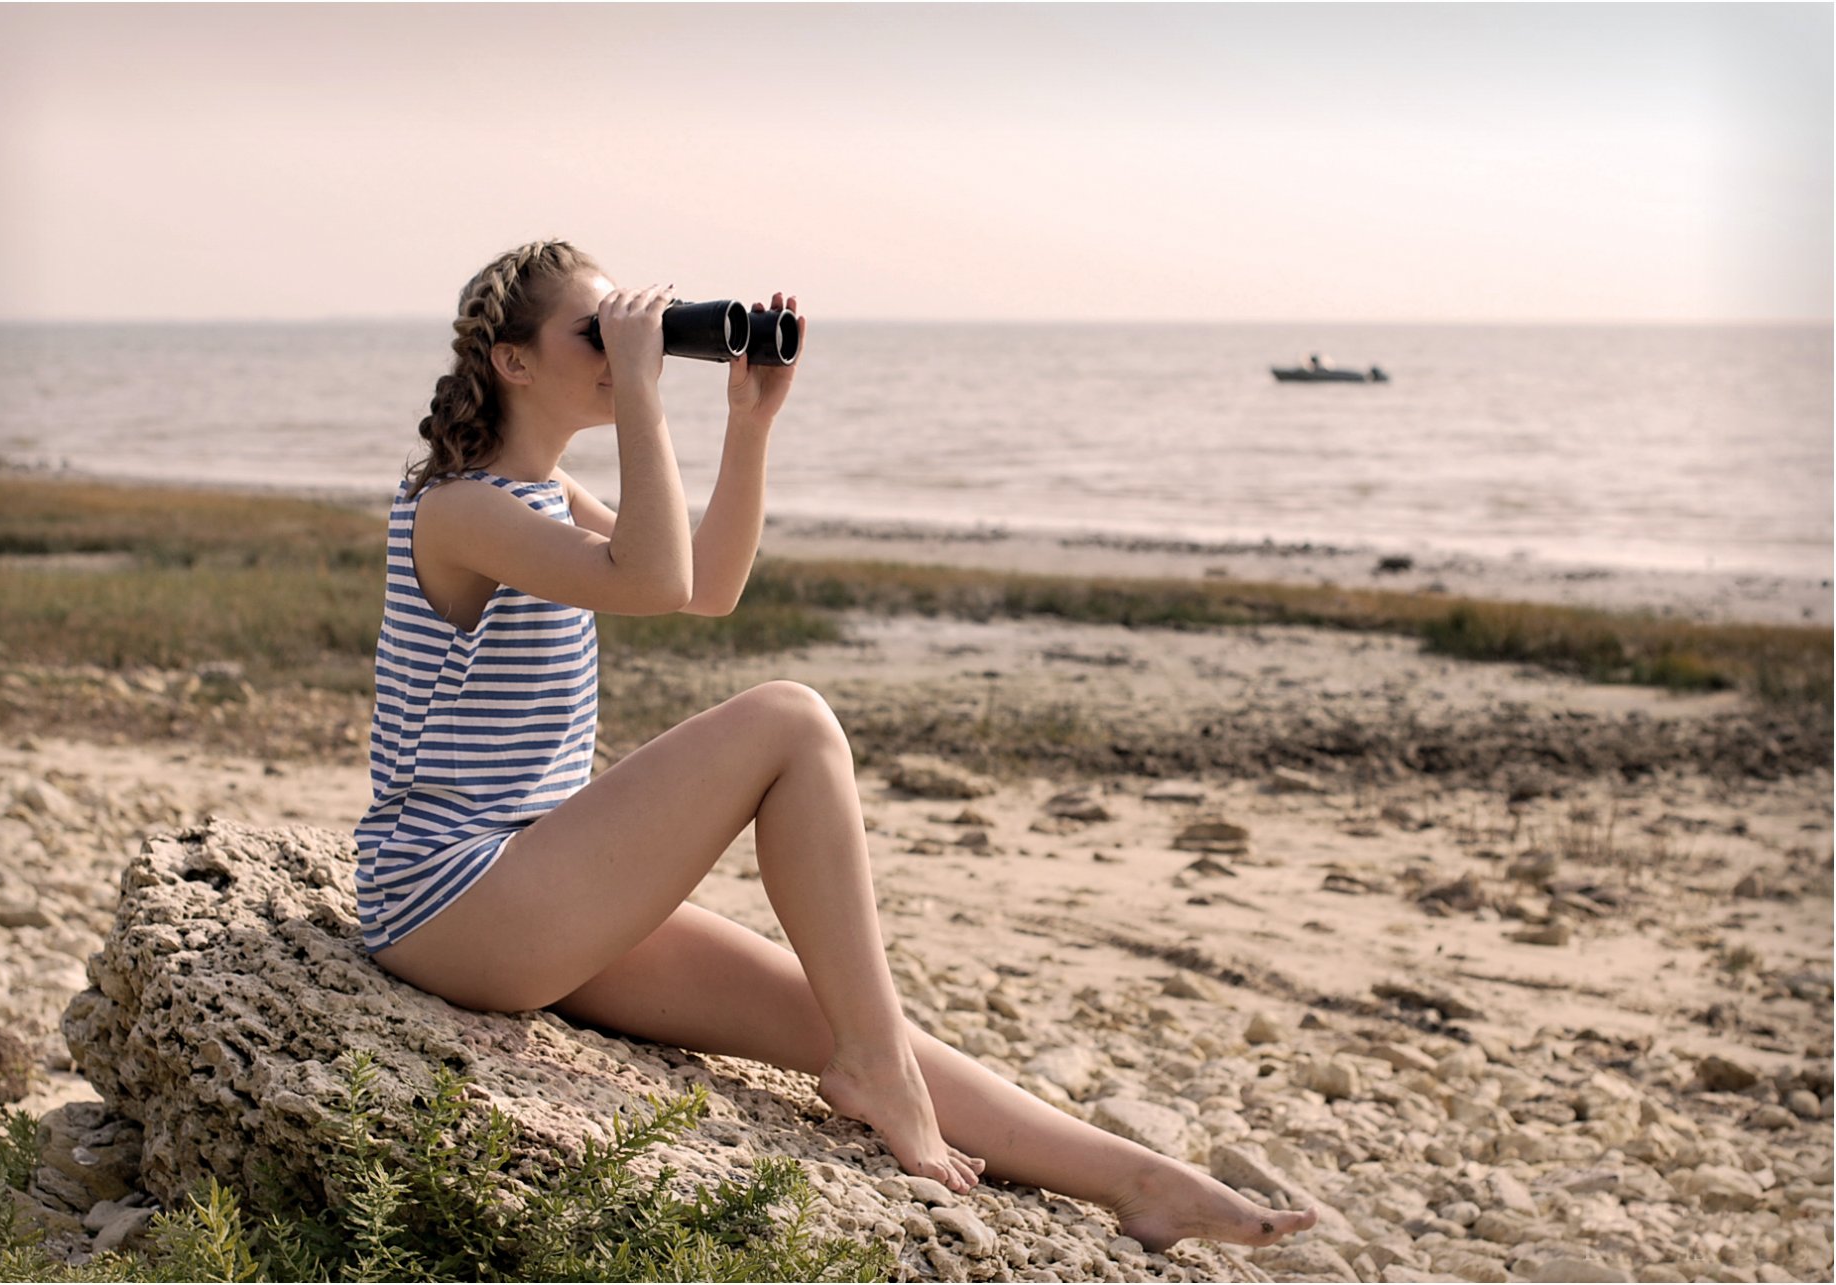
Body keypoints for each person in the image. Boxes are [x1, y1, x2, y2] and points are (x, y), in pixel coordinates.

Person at [356, 237, 1319, 1251]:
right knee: (792, 719)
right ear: (512, 360)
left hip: (533, 889)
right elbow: (650, 580)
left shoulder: (545, 495)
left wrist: (749, 423)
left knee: (847, 1012)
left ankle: (1141, 1180)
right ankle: (878, 1073)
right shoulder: (458, 509)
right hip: (450, 900)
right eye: (597, 332)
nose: (627, 346)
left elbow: (706, 588)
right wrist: (642, 391)